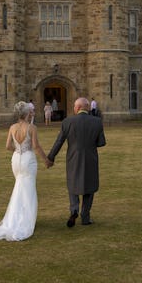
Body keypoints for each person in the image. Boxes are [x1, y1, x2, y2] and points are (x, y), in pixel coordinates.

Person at [0, 101, 51, 241]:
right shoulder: (32, 128)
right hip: (28, 159)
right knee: (28, 189)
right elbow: (36, 146)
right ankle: (25, 220)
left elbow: (7, 146)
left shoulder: (12, 127)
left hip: (16, 159)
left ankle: (15, 219)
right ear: (27, 113)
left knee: (19, 187)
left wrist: (17, 151)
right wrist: (46, 160)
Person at [47, 97, 106, 227]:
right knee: (89, 186)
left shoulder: (68, 121)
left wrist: (50, 157)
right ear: (88, 108)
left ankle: (74, 210)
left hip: (73, 157)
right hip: (90, 157)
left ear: (77, 108)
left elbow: (59, 142)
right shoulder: (97, 122)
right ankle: (85, 216)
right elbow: (101, 142)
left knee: (73, 183)